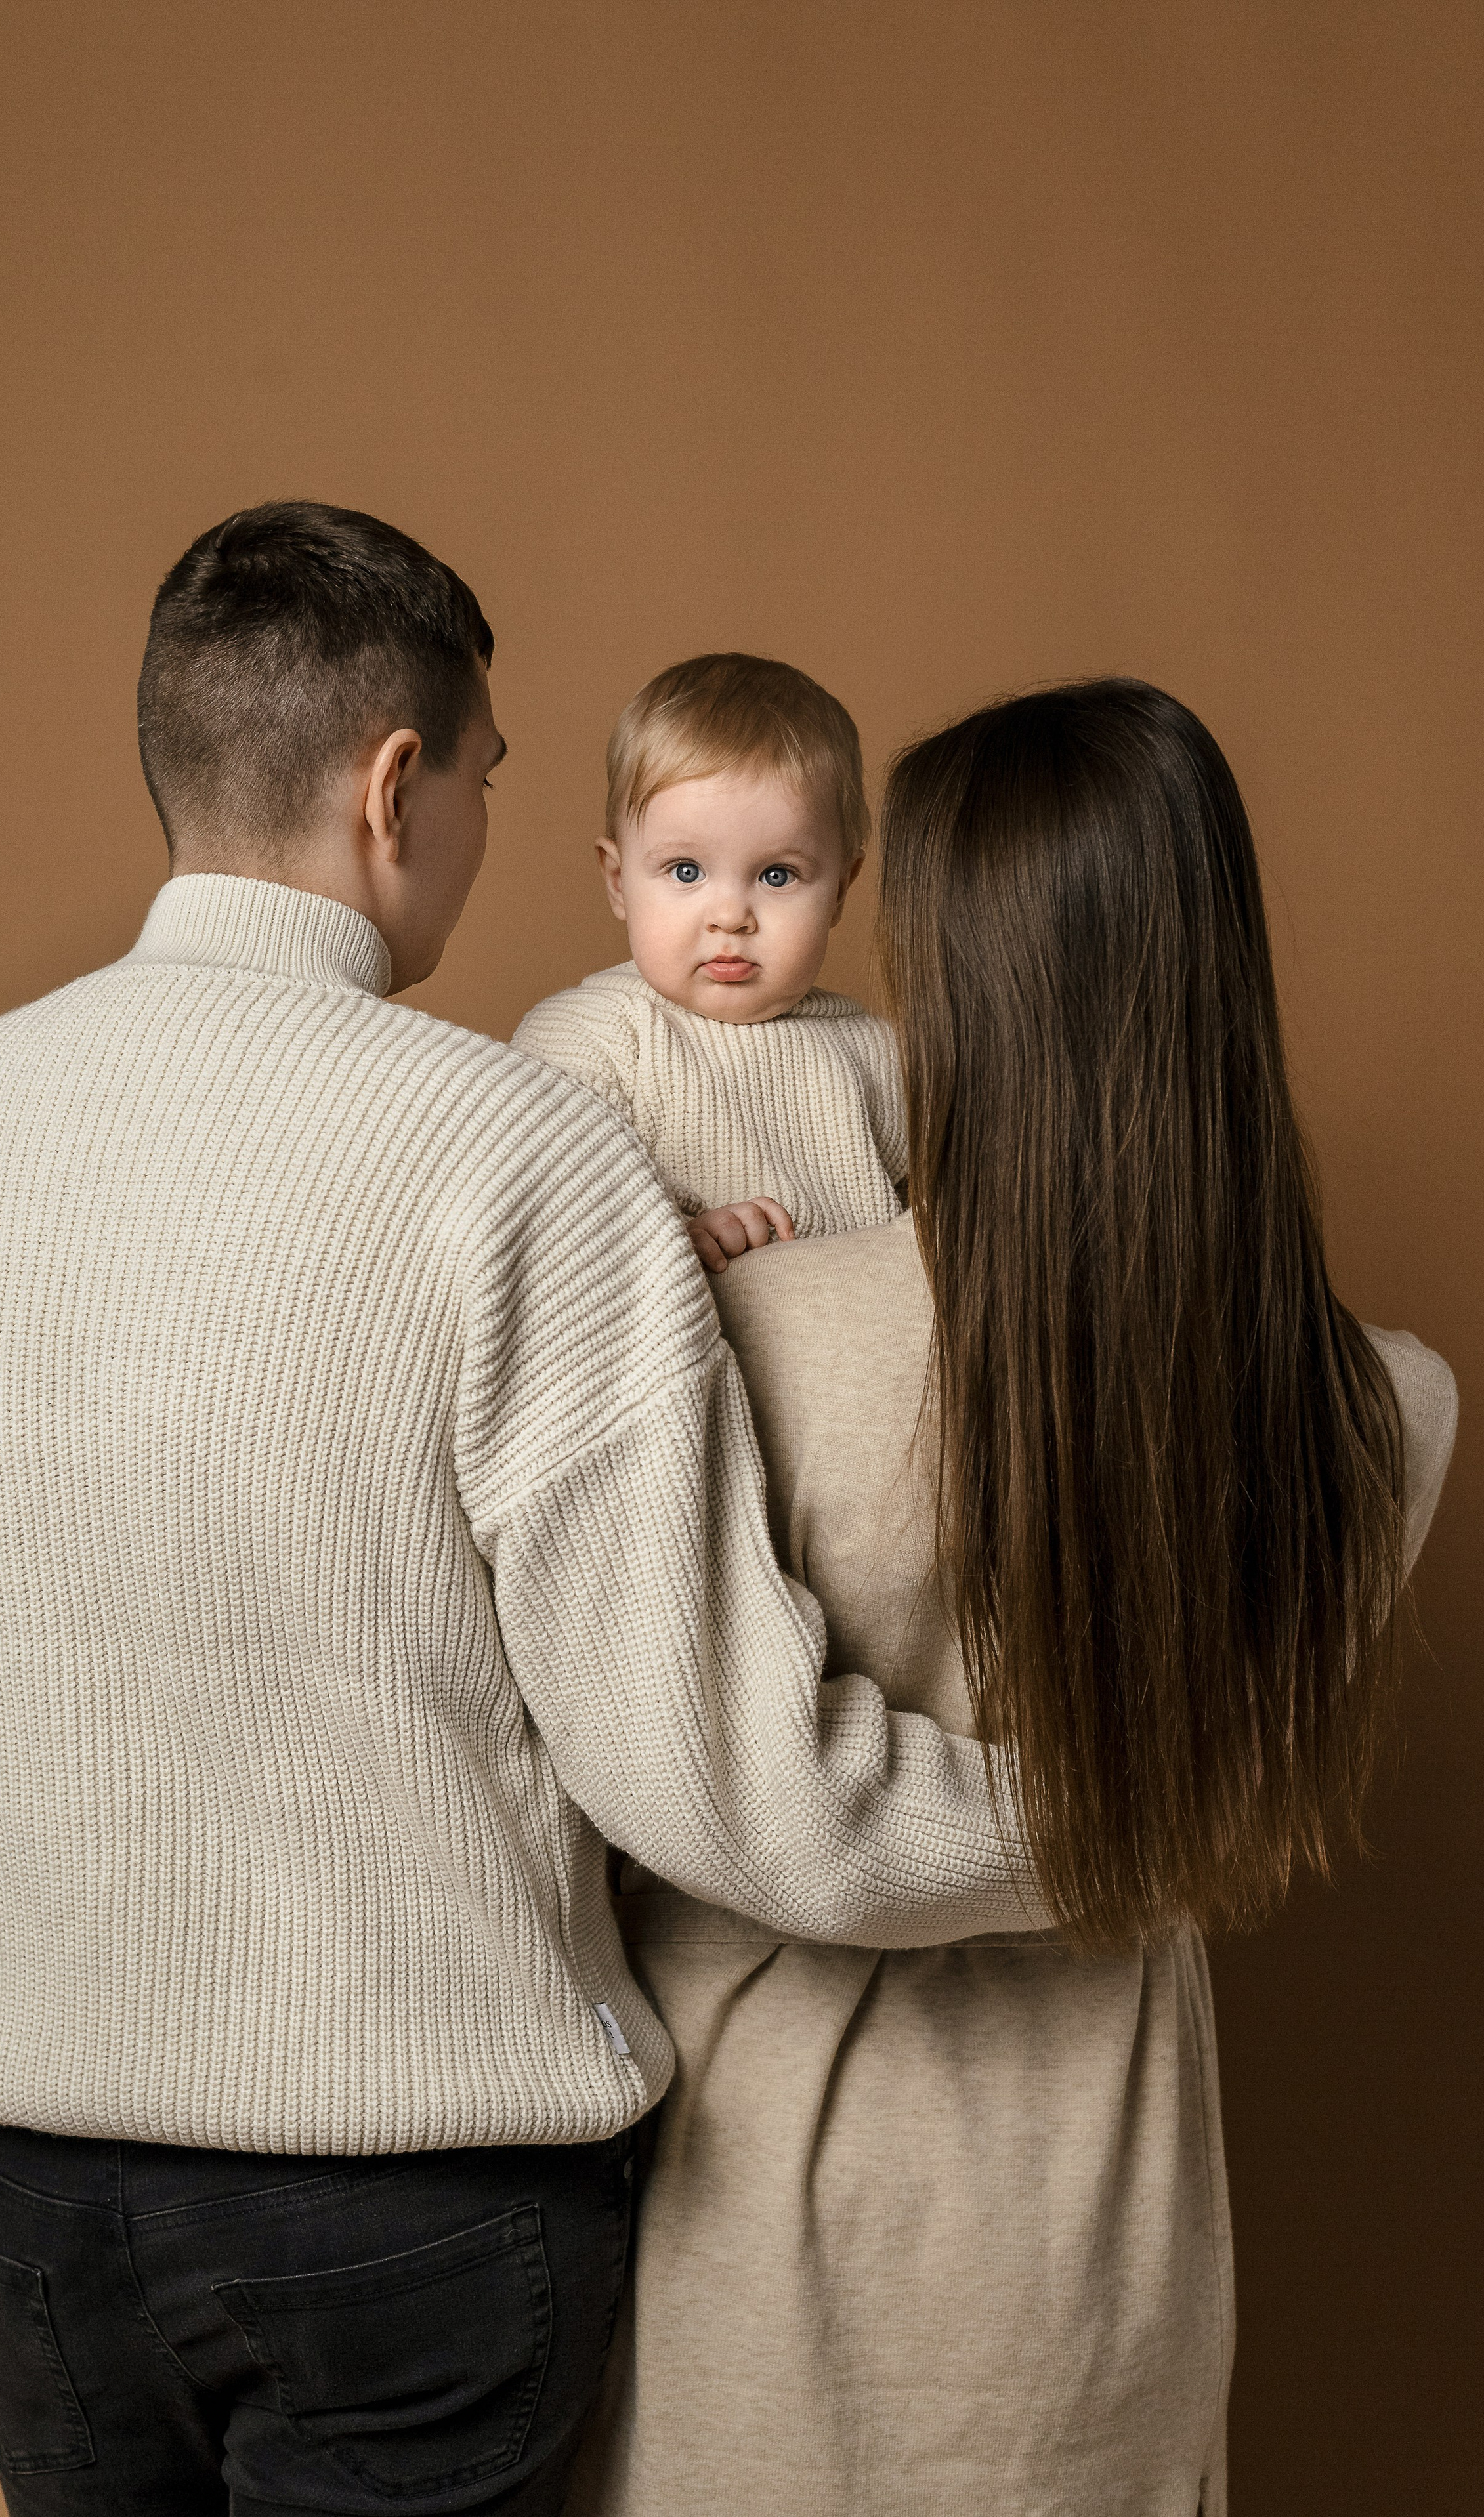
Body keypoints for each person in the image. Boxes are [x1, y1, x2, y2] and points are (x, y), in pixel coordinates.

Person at [0, 502, 1040, 2517]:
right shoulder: (516, 1149)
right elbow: (739, 1785)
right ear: (396, 786)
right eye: (488, 777)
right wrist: (1103, 1813)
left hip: (27, 2194)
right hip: (408, 2204)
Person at [568, 679, 1458, 2517]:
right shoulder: (1386, 1414)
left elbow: (610, 1791)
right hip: (1114, 2278)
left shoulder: (738, 1335)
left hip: (775, 2262)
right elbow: (1189, 1792)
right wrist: (1132, 1799)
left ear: (937, 977)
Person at [513, 652, 902, 1271]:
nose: (730, 916)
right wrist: (675, 1235)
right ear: (618, 881)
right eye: (686, 871)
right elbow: (547, 1225)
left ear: (841, 892)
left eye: (778, 875)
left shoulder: (878, 1054)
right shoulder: (587, 1040)